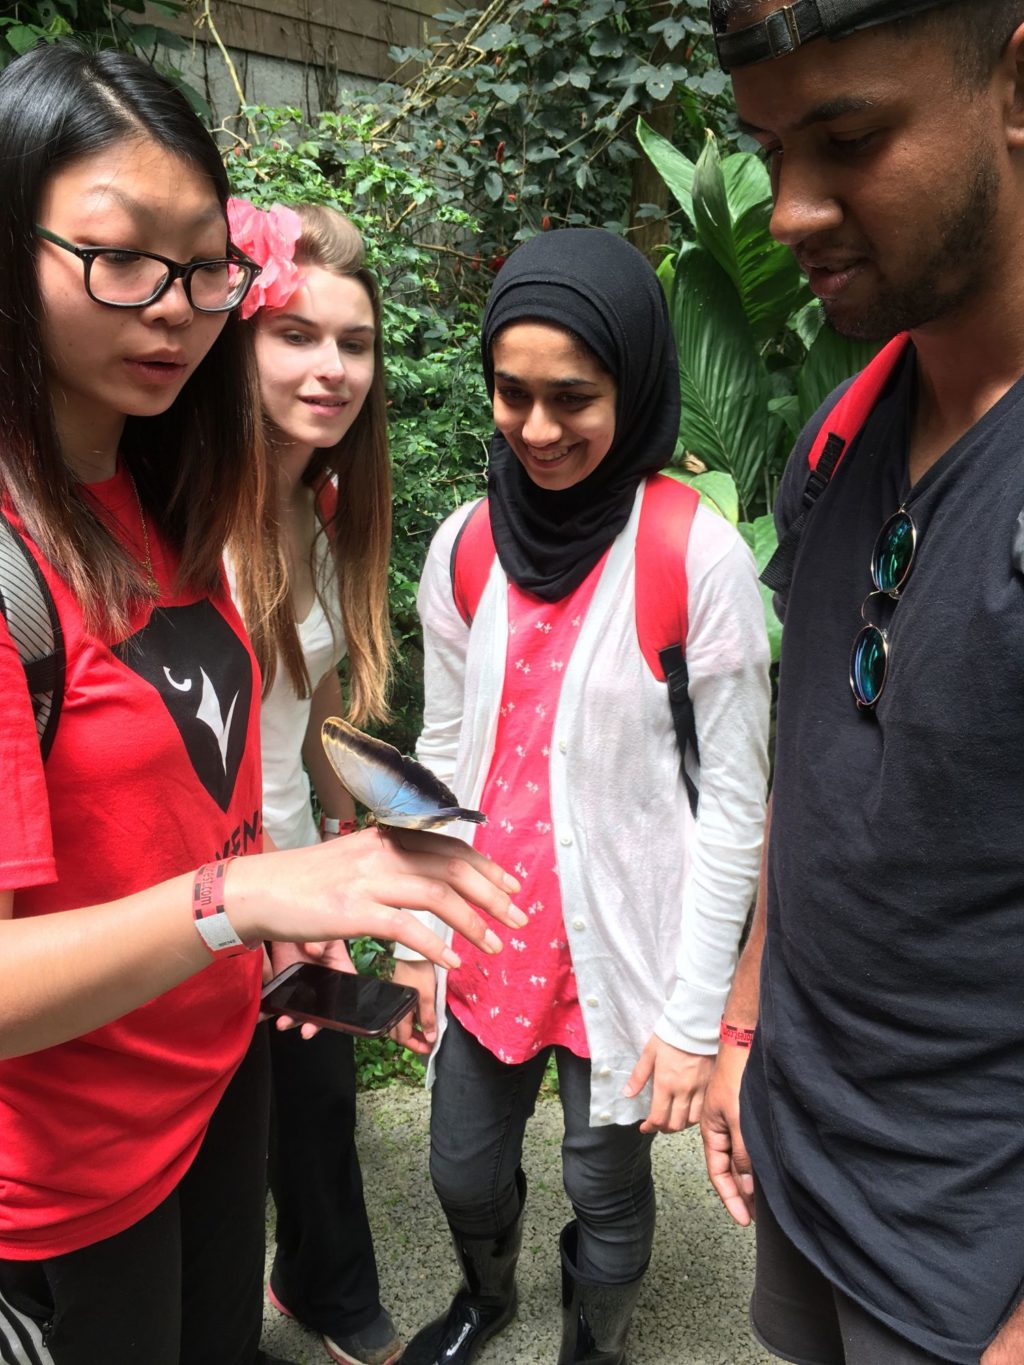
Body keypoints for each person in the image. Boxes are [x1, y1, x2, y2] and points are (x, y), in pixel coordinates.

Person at [0, 43, 524, 1365]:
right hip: (66, 1178)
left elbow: (226, 772)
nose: (172, 306)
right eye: (123, 258)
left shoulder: (174, 503)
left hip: (212, 1082)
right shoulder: (22, 560)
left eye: (201, 267)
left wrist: (314, 900)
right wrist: (247, 900)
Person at [699, 2, 1024, 1363]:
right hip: (810, 1157)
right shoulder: (852, 420)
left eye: (846, 136)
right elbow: (818, 752)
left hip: (969, 1263)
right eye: (772, 148)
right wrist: (747, 1015)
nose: (788, 211)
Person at [393, 227, 771, 1365]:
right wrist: (416, 937)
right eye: (512, 395)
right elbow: (445, 749)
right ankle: (486, 1296)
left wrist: (696, 1020)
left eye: (574, 397)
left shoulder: (694, 558)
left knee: (602, 1181)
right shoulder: (465, 545)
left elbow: (737, 810)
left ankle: (591, 1347)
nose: (539, 429)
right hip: (489, 934)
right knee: (460, 1159)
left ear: (634, 385)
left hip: (620, 948)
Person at [225, 198, 402, 1365]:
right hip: (189, 888)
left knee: (320, 1099)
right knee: (216, 1140)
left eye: (354, 342)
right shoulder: (172, 517)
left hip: (292, 879)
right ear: (235, 339)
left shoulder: (324, 511)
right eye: (297, 334)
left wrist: (351, 836)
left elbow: (307, 716)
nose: (331, 368)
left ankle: (323, 1286)